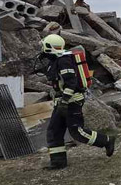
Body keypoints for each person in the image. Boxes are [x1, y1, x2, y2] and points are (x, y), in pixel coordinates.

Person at [40, 34, 115, 169]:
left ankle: (106, 140)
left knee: (77, 132)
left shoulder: (64, 61)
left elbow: (71, 82)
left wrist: (65, 100)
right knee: (54, 131)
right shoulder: (56, 60)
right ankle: (58, 163)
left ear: (48, 47)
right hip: (62, 102)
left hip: (71, 102)